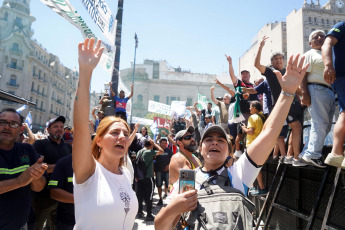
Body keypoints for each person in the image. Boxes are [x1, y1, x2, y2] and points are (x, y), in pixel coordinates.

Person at [154, 54, 309, 230]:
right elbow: (160, 226)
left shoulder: (240, 173)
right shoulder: (188, 180)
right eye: (209, 140)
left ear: (229, 150)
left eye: (221, 140)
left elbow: (269, 133)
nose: (214, 143)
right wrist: (174, 208)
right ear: (201, 149)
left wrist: (287, 93)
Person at [73, 38, 138, 229]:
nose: (122, 137)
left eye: (126, 134)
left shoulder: (126, 173)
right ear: (99, 140)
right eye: (115, 132)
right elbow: (81, 127)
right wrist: (85, 72)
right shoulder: (89, 172)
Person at [255, 36, 305, 167]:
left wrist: (303, 96)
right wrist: (260, 47)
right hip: (285, 104)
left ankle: (289, 156)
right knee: (296, 128)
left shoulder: (287, 71)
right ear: (272, 62)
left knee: (295, 130)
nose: (278, 60)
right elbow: (257, 65)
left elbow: (296, 88)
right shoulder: (271, 72)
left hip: (295, 103)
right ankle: (295, 158)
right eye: (275, 59)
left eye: (280, 58)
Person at [0, 108, 48, 230]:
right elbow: (21, 181)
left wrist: (36, 177)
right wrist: (19, 182)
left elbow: (39, 187)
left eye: (13, 123)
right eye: (2, 122)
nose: (7, 127)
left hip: (21, 225)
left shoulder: (27, 150)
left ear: (21, 130)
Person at [299, 30, 336, 168]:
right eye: (316, 37)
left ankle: (306, 154)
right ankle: (313, 154)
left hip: (329, 91)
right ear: (310, 42)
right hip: (316, 89)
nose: (320, 38)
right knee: (319, 123)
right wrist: (305, 94)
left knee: (324, 125)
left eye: (322, 36)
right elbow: (302, 75)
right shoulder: (309, 54)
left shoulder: (328, 54)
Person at [32, 115, 72, 230]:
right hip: (43, 196)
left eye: (61, 127)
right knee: (37, 225)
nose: (59, 129)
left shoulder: (68, 147)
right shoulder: (40, 144)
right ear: (48, 130)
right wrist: (60, 167)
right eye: (55, 126)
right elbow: (37, 167)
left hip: (62, 196)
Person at [322, 21, 345, 168]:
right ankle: (336, 153)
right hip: (342, 75)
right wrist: (328, 65)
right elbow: (327, 43)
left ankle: (337, 154)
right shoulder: (342, 25)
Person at [241, 101, 268, 195]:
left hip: (251, 145)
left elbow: (251, 132)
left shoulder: (252, 117)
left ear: (255, 108)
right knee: (256, 166)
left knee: (250, 167)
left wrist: (244, 128)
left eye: (250, 107)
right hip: (260, 144)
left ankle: (255, 188)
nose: (249, 108)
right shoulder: (263, 116)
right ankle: (260, 188)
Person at [136, 139, 164, 221]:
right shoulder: (148, 152)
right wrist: (154, 144)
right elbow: (161, 151)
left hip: (140, 177)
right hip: (148, 178)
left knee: (140, 196)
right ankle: (149, 214)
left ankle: (139, 212)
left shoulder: (139, 152)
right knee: (149, 196)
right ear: (150, 145)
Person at [48, 155, 74, 230]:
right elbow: (54, 191)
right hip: (67, 221)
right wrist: (83, 199)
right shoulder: (63, 163)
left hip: (94, 219)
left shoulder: (99, 163)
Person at [154, 137, 173, 206]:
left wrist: (168, 165)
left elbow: (172, 159)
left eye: (165, 143)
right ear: (160, 143)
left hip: (167, 171)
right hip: (158, 170)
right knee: (159, 185)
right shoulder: (157, 150)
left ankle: (166, 194)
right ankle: (160, 199)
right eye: (162, 143)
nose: (164, 145)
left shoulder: (169, 150)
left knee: (168, 184)